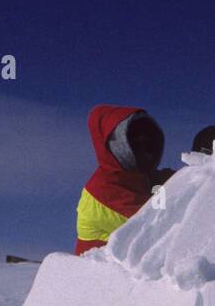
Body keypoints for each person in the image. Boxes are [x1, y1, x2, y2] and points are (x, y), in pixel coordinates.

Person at [74, 105, 176, 256]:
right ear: (113, 144)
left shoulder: (140, 179)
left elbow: (158, 203)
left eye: (149, 141)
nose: (145, 148)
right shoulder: (101, 192)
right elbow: (156, 227)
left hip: (133, 272)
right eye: (134, 139)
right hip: (100, 276)